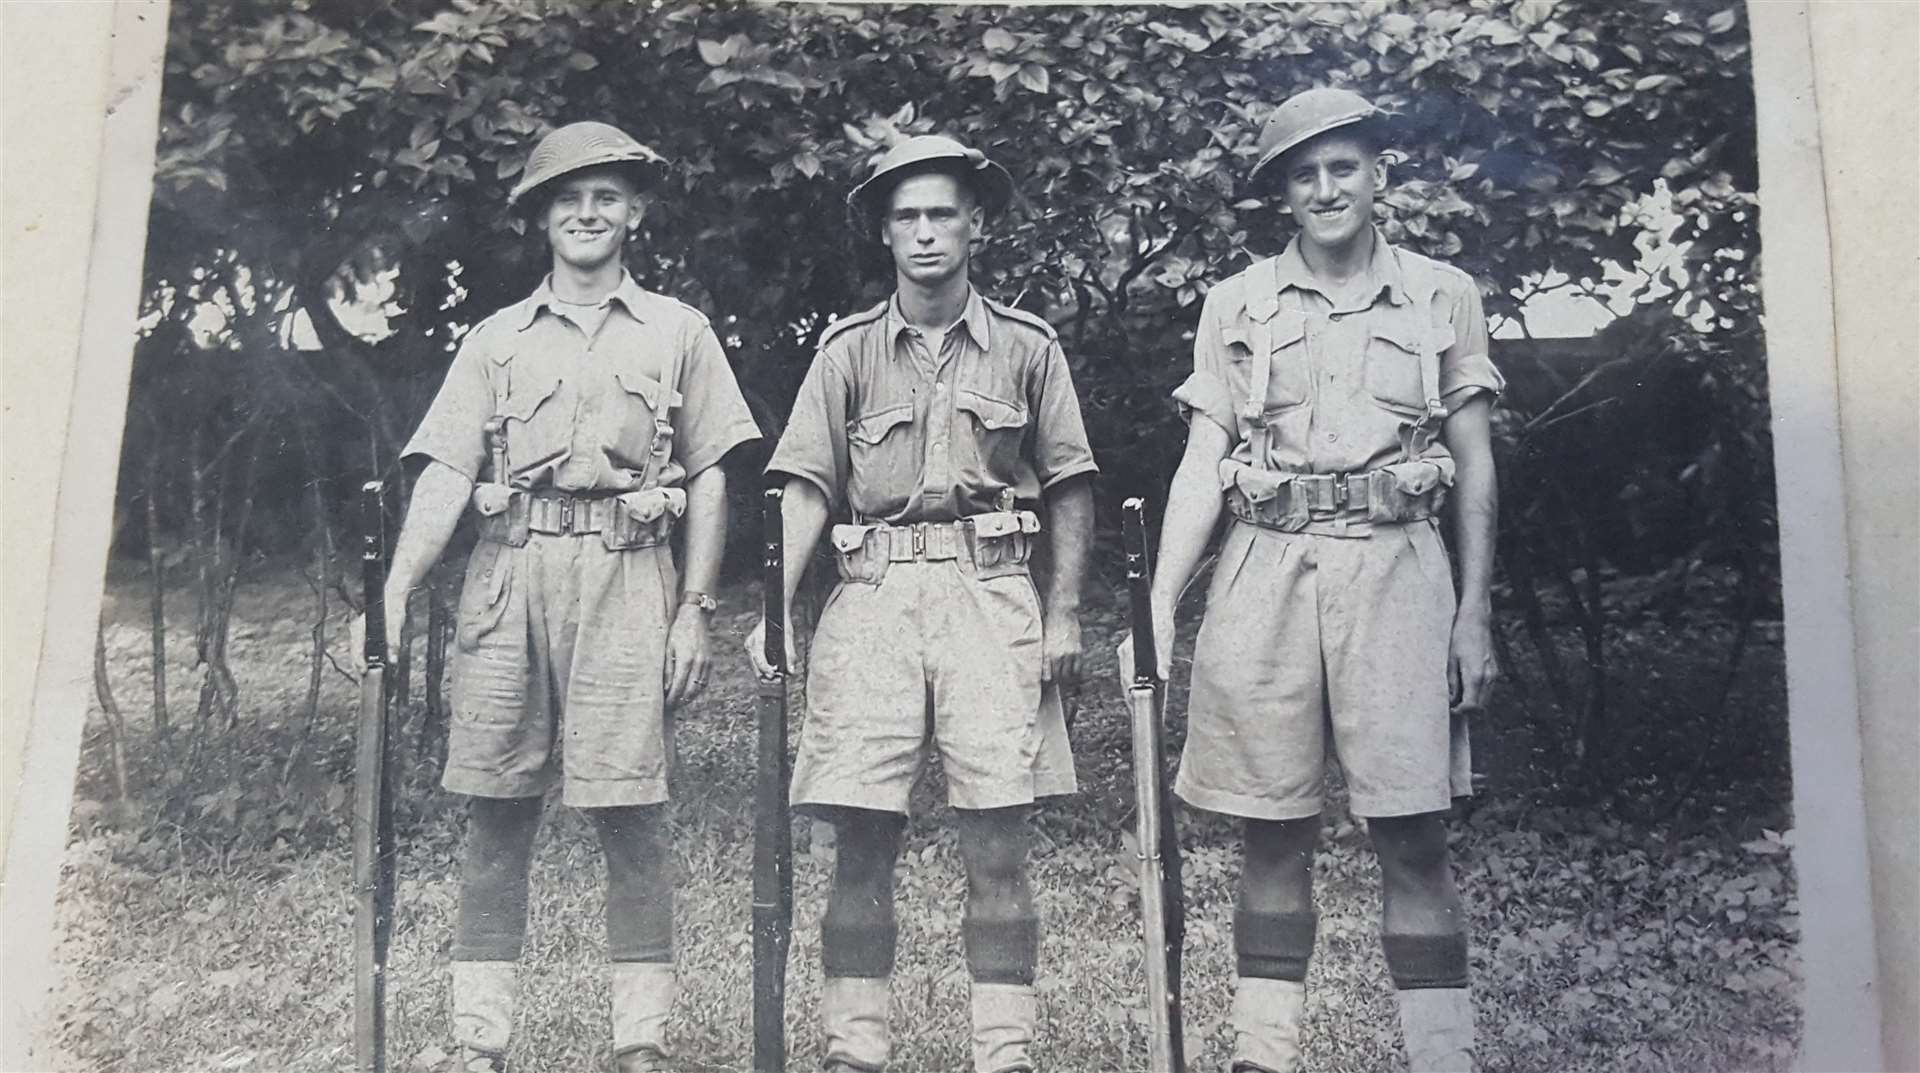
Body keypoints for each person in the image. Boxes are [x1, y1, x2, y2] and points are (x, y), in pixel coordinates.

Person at [358, 120, 760, 1073]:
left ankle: (641, 1040)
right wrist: (395, 590)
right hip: (510, 576)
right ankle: (477, 1037)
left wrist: (695, 608)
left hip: (629, 579)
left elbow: (709, 474)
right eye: (568, 197)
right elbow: (449, 471)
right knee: (495, 810)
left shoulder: (679, 332)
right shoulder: (495, 340)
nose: (588, 212)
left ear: (635, 213)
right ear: (541, 216)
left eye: (608, 196)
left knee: (631, 812)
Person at [1130, 87, 1501, 1073]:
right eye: (1305, 173)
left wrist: (1475, 612)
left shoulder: (1440, 294)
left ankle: (1441, 1053)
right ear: (1282, 195)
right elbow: (1204, 456)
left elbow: (1475, 459)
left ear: (1380, 173)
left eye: (1344, 166)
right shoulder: (1236, 303)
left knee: (1414, 830)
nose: (1328, 187)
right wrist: (1161, 599)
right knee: (1272, 828)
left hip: (1398, 567)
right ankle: (1265, 1055)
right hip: (1267, 570)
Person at [746, 134, 1097, 1073]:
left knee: (998, 834)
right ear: (885, 235)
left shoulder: (1029, 348)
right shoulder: (848, 353)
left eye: (943, 212)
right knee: (861, 832)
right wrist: (774, 607)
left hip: (992, 594)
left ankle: (1004, 1052)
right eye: (907, 216)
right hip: (873, 596)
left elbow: (1068, 482)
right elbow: (809, 487)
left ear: (976, 224)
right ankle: (855, 1049)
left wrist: (1064, 613)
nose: (927, 232)